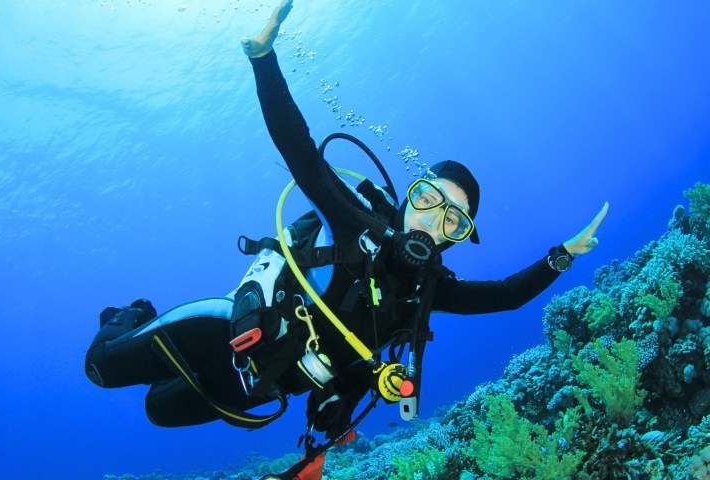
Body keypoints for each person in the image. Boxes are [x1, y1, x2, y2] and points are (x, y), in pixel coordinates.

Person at [85, 1, 609, 478]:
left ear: (459, 237)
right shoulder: (357, 222)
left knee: (159, 411)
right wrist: (264, 58)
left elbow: (504, 296)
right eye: (428, 201)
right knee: (102, 370)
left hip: (257, 385)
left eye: (453, 220)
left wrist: (562, 256)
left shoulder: (428, 292)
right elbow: (300, 150)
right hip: (229, 331)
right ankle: (126, 317)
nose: (432, 223)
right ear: (408, 197)